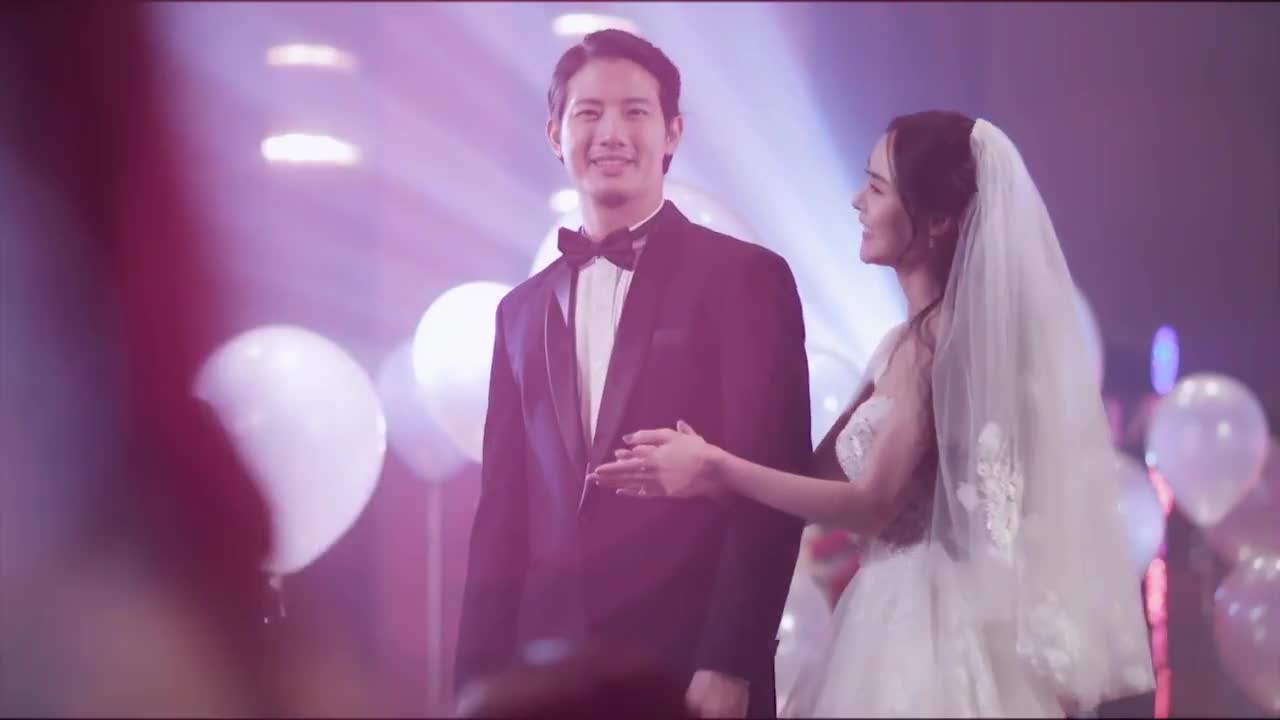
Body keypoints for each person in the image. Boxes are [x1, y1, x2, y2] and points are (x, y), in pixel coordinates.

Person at [592, 111, 1157, 717]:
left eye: (878, 188)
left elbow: (871, 502)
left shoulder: (940, 343)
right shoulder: (901, 343)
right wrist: (707, 455)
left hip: (927, 629)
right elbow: (813, 478)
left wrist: (718, 468)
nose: (858, 201)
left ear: (938, 221)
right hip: (889, 608)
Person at [453, 29, 812, 718]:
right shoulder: (519, 312)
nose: (610, 133)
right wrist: (471, 685)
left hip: (687, 664)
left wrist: (729, 661)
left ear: (673, 132)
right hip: (546, 673)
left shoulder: (744, 277)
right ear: (555, 134)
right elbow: (501, 515)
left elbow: (773, 480)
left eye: (635, 112)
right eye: (588, 113)